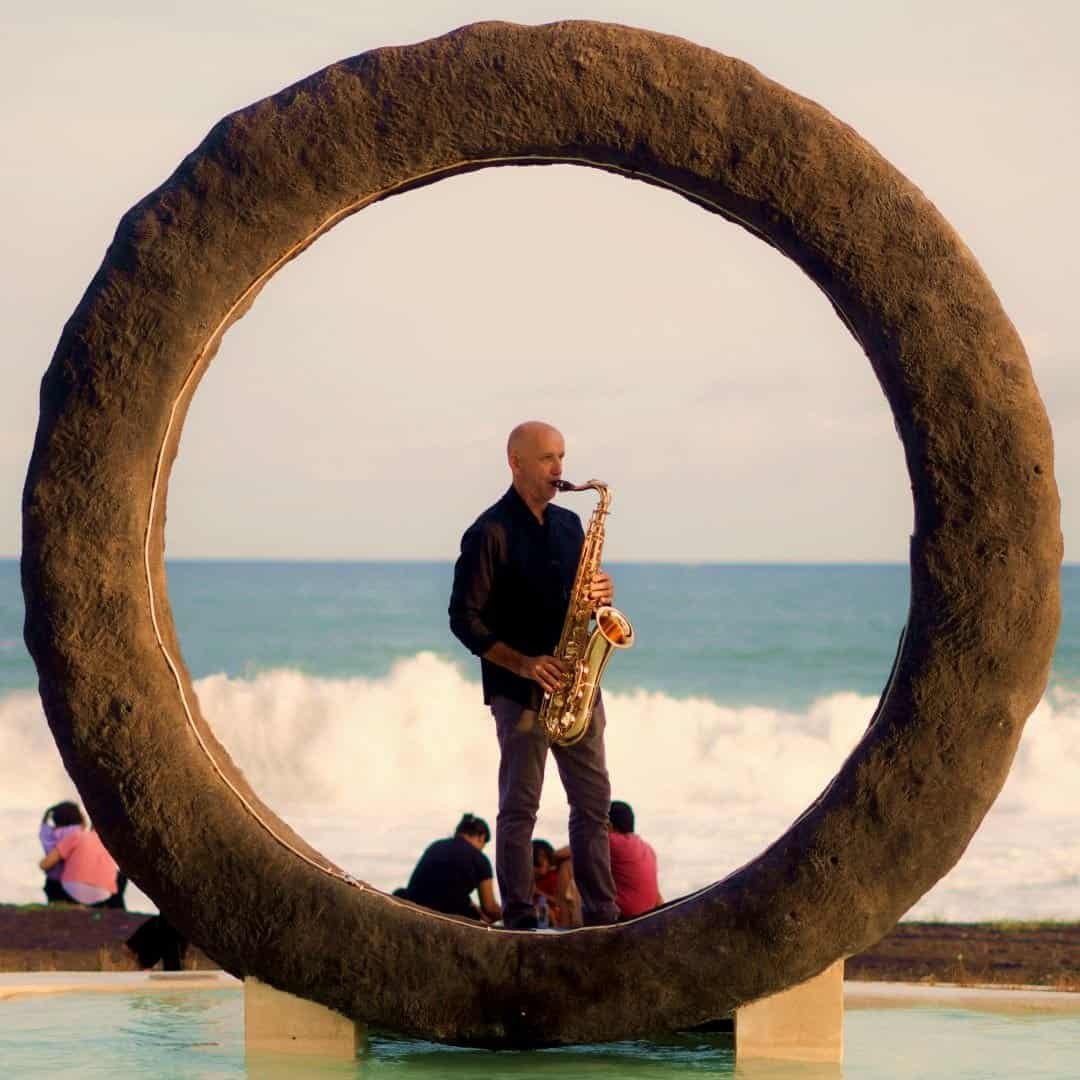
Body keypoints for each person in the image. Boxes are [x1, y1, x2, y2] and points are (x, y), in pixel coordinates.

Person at [449, 421, 620, 929]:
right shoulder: (488, 533)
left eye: (562, 457)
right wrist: (524, 663)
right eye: (547, 459)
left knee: (594, 807)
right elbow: (464, 619)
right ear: (515, 462)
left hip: (577, 685)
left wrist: (599, 596)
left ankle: (604, 917)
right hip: (520, 692)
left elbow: (580, 605)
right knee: (520, 811)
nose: (559, 470)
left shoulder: (571, 527)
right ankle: (520, 919)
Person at [403, 813, 500, 923]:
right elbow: (489, 908)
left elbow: (444, 886)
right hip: (443, 916)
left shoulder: (435, 846)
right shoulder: (479, 859)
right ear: (481, 837)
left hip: (413, 907)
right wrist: (507, 917)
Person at [37, 802, 121, 907]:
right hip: (104, 894)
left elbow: (45, 864)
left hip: (71, 890)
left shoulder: (74, 836)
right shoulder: (111, 844)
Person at [607, 799, 662, 918]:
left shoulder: (612, 842)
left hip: (626, 918)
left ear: (609, 826)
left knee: (572, 864)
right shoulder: (647, 847)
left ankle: (566, 927)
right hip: (649, 915)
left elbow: (575, 849)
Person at [532, 839, 581, 929]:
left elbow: (560, 902)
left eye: (544, 858)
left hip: (559, 920)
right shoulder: (534, 881)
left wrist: (539, 892)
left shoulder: (555, 875)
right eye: (536, 863)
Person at [38, 802, 81, 903]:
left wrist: (47, 813)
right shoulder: (74, 832)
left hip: (52, 880)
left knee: (54, 908)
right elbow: (82, 827)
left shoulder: (46, 834)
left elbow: (43, 825)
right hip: (71, 880)